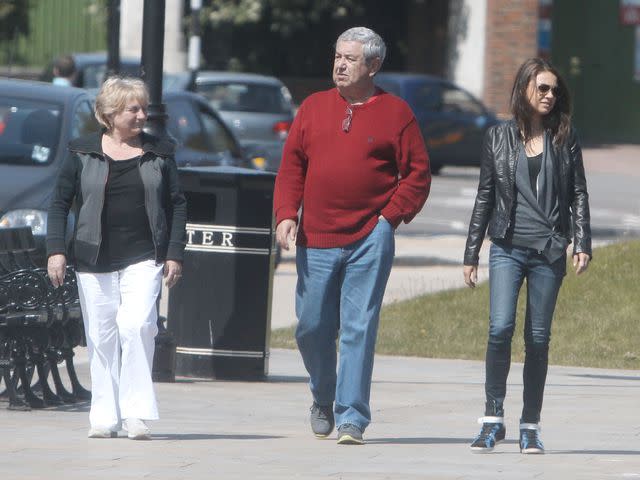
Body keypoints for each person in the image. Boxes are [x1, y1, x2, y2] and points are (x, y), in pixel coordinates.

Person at [274, 26, 431, 445]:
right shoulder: (311, 108)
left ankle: (351, 418)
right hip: (316, 237)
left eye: (350, 59)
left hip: (370, 237)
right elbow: (291, 167)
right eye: (337, 56)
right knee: (311, 327)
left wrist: (389, 218)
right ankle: (323, 396)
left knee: (358, 327)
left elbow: (417, 174)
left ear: (373, 66)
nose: (340, 65)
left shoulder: (396, 113)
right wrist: (286, 214)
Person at [46, 77, 187, 440]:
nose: (142, 115)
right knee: (101, 335)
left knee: (138, 325)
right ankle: (105, 415)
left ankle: (137, 413)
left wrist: (174, 253)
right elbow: (60, 204)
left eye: (143, 108)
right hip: (93, 257)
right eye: (133, 109)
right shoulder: (81, 152)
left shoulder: (160, 153)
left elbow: (177, 205)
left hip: (144, 255)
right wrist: (56, 250)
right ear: (110, 114)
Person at [463, 58, 591, 454]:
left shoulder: (564, 137)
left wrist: (582, 242)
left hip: (549, 250)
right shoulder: (498, 138)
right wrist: (471, 253)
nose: (549, 96)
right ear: (524, 91)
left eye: (554, 90)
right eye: (542, 88)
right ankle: (492, 419)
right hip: (506, 247)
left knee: (538, 339)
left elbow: (579, 193)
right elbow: (486, 194)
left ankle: (530, 425)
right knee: (499, 328)